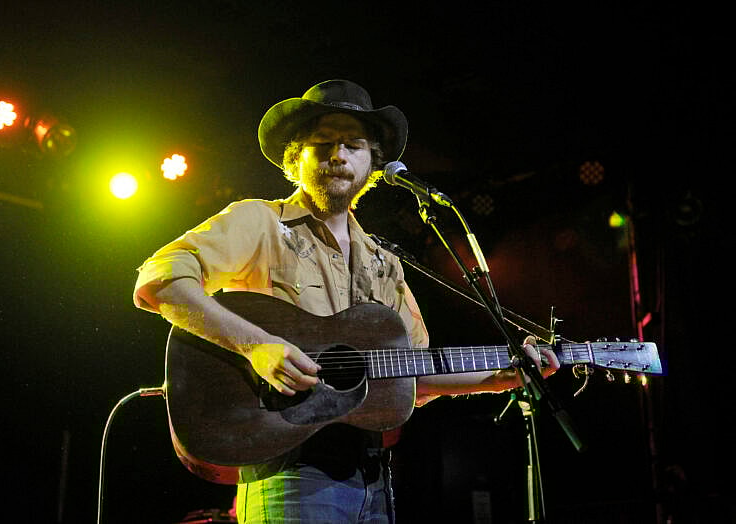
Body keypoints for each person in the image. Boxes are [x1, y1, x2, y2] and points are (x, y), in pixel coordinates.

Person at [133, 79, 559, 523]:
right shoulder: (259, 222)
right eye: (323, 144)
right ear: (296, 158)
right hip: (286, 470)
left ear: (372, 162)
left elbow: (411, 371)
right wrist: (255, 346)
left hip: (373, 478)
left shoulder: (384, 260)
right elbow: (158, 280)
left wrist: (499, 378)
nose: (338, 155)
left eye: (352, 145)